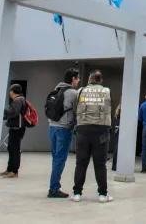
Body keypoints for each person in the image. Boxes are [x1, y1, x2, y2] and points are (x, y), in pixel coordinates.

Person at [72, 70, 113, 203]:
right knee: (100, 164)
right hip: (101, 131)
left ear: (89, 80)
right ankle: (102, 194)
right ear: (101, 80)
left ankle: (77, 193)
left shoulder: (80, 91)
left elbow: (75, 108)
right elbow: (108, 108)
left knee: (81, 163)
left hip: (83, 130)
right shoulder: (106, 91)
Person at [47, 68, 80, 198]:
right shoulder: (73, 93)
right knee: (60, 159)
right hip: (64, 129)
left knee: (56, 158)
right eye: (77, 78)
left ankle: (54, 186)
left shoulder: (56, 89)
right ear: (73, 79)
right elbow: (77, 111)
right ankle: (54, 189)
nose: (78, 81)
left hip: (52, 127)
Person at [0, 84, 27, 178]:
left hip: (17, 128)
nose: (9, 93)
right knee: (11, 148)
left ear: (12, 91)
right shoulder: (20, 99)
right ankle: (9, 169)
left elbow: (13, 113)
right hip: (15, 127)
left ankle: (14, 171)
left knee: (15, 150)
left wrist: (2, 110)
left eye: (10, 90)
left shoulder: (18, 100)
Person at [111, 105, 121, 171]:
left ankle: (114, 166)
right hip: (119, 131)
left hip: (116, 131)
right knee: (118, 149)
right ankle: (116, 166)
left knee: (116, 148)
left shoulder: (116, 116)